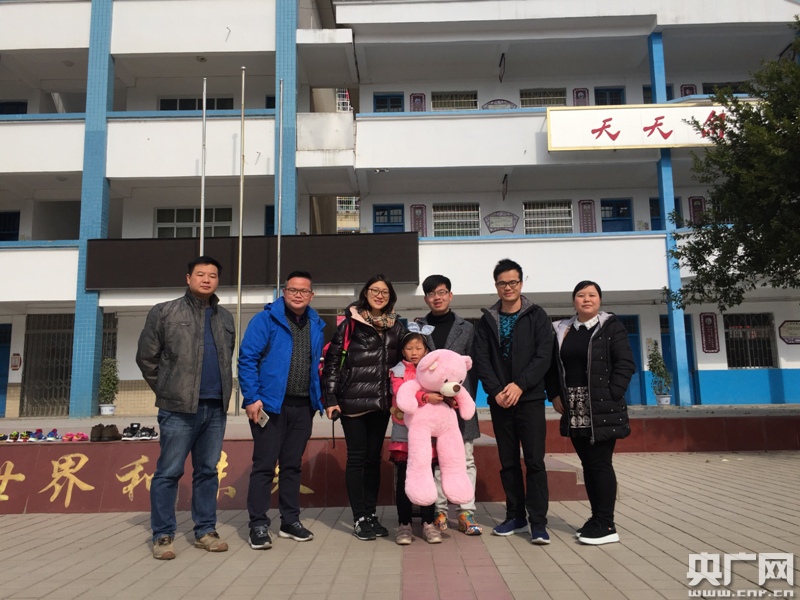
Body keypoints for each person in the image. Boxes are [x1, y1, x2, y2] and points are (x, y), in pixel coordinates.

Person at [136, 256, 235, 560]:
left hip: (214, 407)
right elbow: (146, 358)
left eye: (212, 275)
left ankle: (205, 531)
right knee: (168, 472)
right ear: (188, 278)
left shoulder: (225, 317)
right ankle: (163, 534)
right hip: (178, 410)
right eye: (200, 274)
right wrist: (168, 390)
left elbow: (226, 358)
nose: (206, 279)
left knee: (207, 471)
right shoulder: (165, 312)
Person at [238, 271, 325, 550]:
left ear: (312, 295)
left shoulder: (316, 323)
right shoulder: (265, 320)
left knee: (292, 465)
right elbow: (247, 359)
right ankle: (258, 524)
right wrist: (252, 397)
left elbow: (316, 364)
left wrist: (320, 399)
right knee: (264, 466)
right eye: (293, 290)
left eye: (304, 291)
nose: (298, 295)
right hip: (270, 406)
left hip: (303, 406)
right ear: (284, 292)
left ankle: (290, 521)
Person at [546, 281, 635, 545]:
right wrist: (554, 394)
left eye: (592, 295)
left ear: (600, 300)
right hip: (573, 406)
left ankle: (607, 524)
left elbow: (625, 363)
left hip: (601, 406)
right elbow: (552, 367)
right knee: (588, 464)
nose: (587, 299)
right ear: (574, 300)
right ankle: (596, 518)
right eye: (581, 295)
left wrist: (612, 393)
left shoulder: (611, 327)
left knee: (600, 463)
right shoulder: (563, 329)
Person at [472, 258, 554, 544]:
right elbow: (481, 358)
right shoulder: (487, 320)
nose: (508, 287)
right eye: (502, 283)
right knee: (508, 461)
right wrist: (496, 390)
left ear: (521, 283)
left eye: (513, 282)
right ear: (496, 286)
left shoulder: (537, 316)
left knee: (534, 461)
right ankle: (515, 516)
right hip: (500, 402)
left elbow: (544, 355)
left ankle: (538, 522)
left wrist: (520, 385)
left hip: (529, 398)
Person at [322, 274, 405, 541]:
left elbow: (406, 361)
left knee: (373, 460)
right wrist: (331, 399)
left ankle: (370, 514)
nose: (379, 295)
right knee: (357, 459)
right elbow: (332, 363)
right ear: (365, 293)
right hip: (353, 403)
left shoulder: (396, 327)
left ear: (390, 297)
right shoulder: (350, 325)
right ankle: (359, 517)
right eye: (374, 290)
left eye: (384, 292)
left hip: (381, 404)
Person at [416, 274, 482, 536]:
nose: (437, 297)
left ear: (450, 295)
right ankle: (440, 510)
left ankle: (466, 511)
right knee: (436, 461)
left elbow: (474, 366)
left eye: (442, 292)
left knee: (465, 458)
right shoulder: (418, 327)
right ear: (426, 298)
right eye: (432, 293)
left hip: (459, 402)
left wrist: (465, 396)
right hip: (430, 407)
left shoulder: (467, 328)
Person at [389, 331, 441, 545]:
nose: (414, 352)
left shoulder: (433, 370)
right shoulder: (397, 371)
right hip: (404, 435)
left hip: (427, 435)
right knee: (404, 480)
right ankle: (404, 524)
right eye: (409, 348)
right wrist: (426, 397)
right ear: (402, 351)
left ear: (426, 350)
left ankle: (428, 523)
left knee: (428, 478)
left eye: (418, 348)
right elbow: (401, 393)